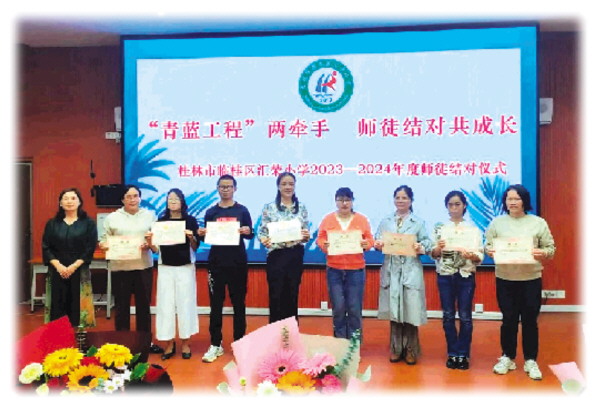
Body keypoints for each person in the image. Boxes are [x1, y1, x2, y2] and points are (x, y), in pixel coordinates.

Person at [485, 184, 555, 380]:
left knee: (530, 321)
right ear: (505, 202)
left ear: (524, 200)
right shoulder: (497, 223)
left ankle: (531, 360)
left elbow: (550, 248)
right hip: (505, 278)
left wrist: (543, 253)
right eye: (509, 199)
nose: (513, 202)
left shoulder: (538, 223)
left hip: (530, 279)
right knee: (508, 320)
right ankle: (507, 357)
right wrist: (489, 251)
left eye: (517, 198)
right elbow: (487, 246)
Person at [99, 185, 164, 354]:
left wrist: (149, 244)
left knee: (144, 307)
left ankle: (145, 343)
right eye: (128, 196)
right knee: (122, 307)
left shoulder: (150, 216)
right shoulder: (112, 218)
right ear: (122, 199)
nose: (132, 199)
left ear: (140, 198)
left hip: (143, 267)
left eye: (136, 196)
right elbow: (103, 240)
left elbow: (156, 243)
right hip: (120, 268)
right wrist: (105, 245)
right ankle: (123, 344)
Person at [374, 185, 432, 365]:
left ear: (411, 201)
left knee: (410, 312)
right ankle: (395, 349)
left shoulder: (418, 222)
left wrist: (420, 247)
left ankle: (411, 350)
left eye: (404, 198)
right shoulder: (385, 221)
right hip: (391, 270)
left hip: (410, 270)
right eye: (397, 197)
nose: (400, 201)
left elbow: (427, 243)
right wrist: (378, 244)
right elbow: (377, 240)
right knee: (394, 311)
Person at [198, 175, 254, 363]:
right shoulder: (211, 212)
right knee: (215, 305)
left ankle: (240, 343)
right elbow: (206, 238)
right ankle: (216, 344)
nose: (225, 189)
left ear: (235, 189)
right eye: (222, 186)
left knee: (239, 304)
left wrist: (247, 231)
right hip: (216, 263)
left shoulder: (242, 210)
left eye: (229, 186)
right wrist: (201, 233)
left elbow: (250, 233)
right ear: (217, 188)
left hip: (238, 263)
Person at [430, 190, 483, 370]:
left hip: (466, 275)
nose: (454, 208)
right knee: (448, 316)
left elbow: (479, 256)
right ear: (447, 206)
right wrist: (438, 249)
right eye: (450, 204)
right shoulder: (440, 229)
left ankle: (463, 354)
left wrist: (471, 255)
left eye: (457, 204)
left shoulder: (473, 230)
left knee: (466, 317)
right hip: (445, 276)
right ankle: (452, 353)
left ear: (464, 206)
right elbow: (433, 254)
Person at [316, 187, 374, 340]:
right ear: (336, 201)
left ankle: (354, 345)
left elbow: (370, 239)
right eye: (340, 200)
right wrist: (324, 245)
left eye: (347, 200)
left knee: (354, 309)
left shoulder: (361, 219)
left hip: (356, 270)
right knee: (338, 308)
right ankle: (340, 344)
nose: (344, 203)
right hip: (334, 269)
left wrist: (366, 244)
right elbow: (320, 238)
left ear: (352, 201)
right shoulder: (328, 219)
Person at [151, 188, 200, 360]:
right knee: (165, 305)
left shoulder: (190, 221)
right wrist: (149, 242)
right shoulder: (161, 221)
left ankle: (186, 342)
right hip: (165, 267)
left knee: (186, 304)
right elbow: (155, 249)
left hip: (185, 267)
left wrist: (191, 237)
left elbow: (195, 246)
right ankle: (169, 343)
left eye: (176, 199)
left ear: (182, 201)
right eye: (169, 199)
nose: (172, 201)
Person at [258, 172, 311, 323]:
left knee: (292, 295)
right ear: (278, 186)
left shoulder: (301, 208)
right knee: (276, 295)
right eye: (284, 184)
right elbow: (262, 232)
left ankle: (291, 334)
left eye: (291, 184)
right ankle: (275, 334)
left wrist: (306, 236)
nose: (288, 187)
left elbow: (305, 232)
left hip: (295, 255)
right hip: (276, 256)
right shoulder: (269, 208)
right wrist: (264, 240)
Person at [42, 188, 97, 328]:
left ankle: (78, 339)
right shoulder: (52, 224)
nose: (69, 201)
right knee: (57, 306)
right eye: (65, 198)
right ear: (60, 203)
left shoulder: (88, 224)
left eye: (73, 198)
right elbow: (46, 247)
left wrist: (73, 267)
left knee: (78, 308)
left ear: (79, 202)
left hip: (79, 270)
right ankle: (57, 338)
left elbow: (90, 248)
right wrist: (59, 266)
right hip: (57, 270)